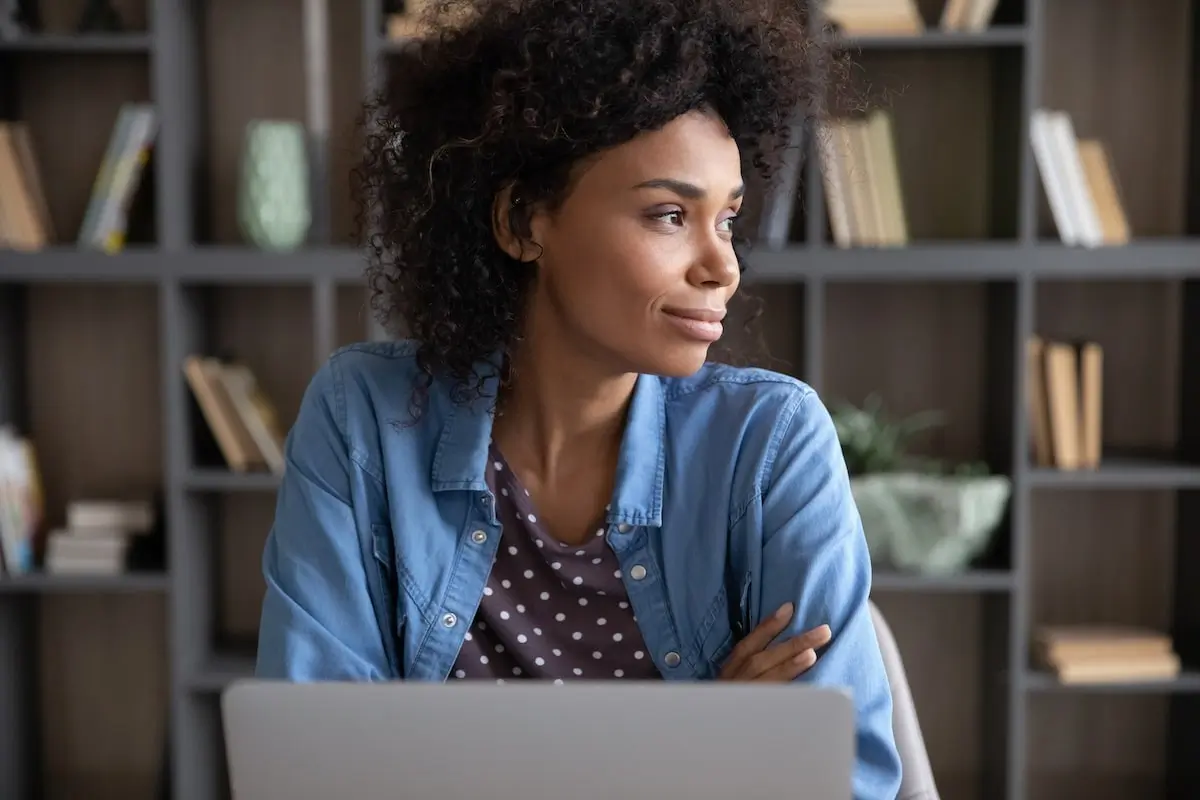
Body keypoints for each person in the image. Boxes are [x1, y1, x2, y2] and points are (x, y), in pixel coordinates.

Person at [255, 0, 902, 796]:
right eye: (670, 214)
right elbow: (317, 773)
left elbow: (844, 780)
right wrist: (698, 754)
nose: (723, 267)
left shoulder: (771, 443)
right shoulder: (366, 420)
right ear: (523, 221)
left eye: (727, 219)